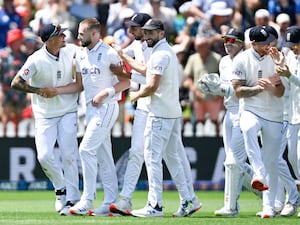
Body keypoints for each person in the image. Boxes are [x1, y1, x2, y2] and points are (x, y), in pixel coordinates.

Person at [109, 13, 201, 217]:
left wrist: (135, 95)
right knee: (172, 158)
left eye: (150, 32)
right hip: (166, 110)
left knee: (152, 157)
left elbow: (150, 83)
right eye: (146, 32)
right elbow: (143, 70)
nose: (145, 35)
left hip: (158, 111)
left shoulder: (160, 53)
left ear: (160, 33)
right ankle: (188, 200)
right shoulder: (158, 49)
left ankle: (155, 205)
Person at [10, 23, 82, 215]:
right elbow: (16, 82)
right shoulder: (36, 60)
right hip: (44, 115)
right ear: (50, 40)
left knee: (69, 155)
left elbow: (87, 50)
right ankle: (61, 189)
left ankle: (73, 199)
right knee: (44, 156)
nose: (65, 37)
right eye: (60, 35)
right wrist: (38, 91)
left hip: (68, 110)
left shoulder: (71, 50)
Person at [68, 17, 130, 216]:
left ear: (95, 34)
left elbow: (126, 82)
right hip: (90, 111)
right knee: (104, 156)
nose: (78, 37)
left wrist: (106, 93)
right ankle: (111, 201)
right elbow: (78, 86)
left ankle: (87, 199)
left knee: (85, 150)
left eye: (82, 33)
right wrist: (53, 90)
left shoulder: (109, 53)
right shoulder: (80, 54)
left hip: (107, 108)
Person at [199, 28, 258, 217]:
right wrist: (212, 88)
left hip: (245, 111)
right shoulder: (224, 62)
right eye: (226, 40)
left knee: (233, 162)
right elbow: (225, 89)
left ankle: (231, 208)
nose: (228, 43)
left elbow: (245, 90)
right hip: (229, 113)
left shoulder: (248, 59)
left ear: (241, 43)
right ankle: (267, 194)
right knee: (234, 163)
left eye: (233, 40)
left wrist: (221, 88)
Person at [231, 25, 285, 218]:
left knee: (272, 161)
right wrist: (257, 89)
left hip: (274, 114)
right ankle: (258, 173)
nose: (269, 46)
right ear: (253, 44)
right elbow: (238, 91)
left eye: (271, 41)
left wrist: (272, 86)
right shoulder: (241, 59)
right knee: (248, 128)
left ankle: (268, 207)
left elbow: (281, 93)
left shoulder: (277, 57)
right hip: (251, 109)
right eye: (264, 43)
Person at [271, 26, 300, 217]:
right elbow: (288, 87)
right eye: (291, 45)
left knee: (298, 157)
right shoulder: (289, 55)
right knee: (291, 159)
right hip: (292, 115)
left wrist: (289, 75)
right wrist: (281, 67)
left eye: (296, 45)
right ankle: (295, 198)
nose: (294, 48)